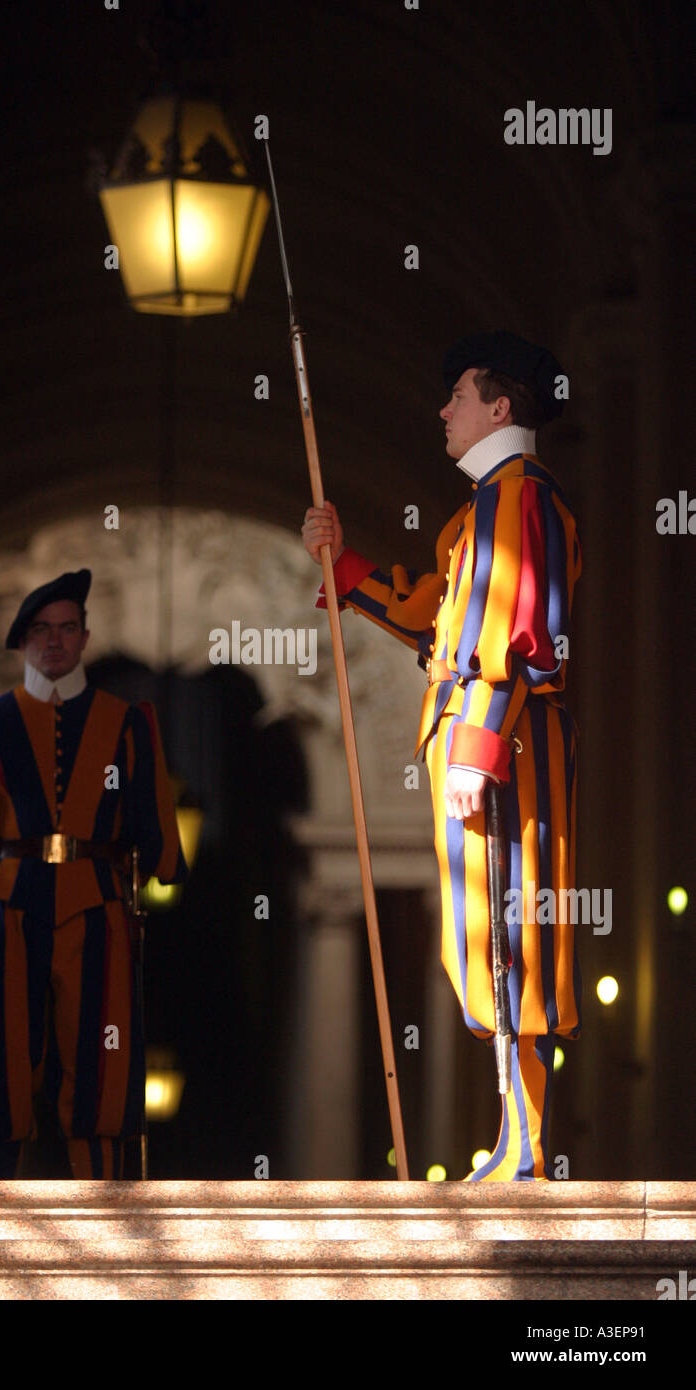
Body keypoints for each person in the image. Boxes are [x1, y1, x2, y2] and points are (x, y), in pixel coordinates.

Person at [302, 331, 582, 1180]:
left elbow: (516, 626)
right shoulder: (481, 511)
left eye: (457, 395)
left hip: (504, 745)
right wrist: (342, 562)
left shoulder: (519, 499)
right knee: (483, 935)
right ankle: (514, 1135)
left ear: (500, 407)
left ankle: (527, 1142)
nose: (442, 411)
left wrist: (476, 744)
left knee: (509, 930)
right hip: (485, 742)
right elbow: (437, 619)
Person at [0, 568, 187, 1179]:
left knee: (101, 1052)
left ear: (86, 637)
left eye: (67, 628)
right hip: (10, 898)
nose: (55, 640)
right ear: (22, 640)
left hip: (96, 900)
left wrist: (156, 865)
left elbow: (155, 831)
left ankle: (100, 1208)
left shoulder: (126, 723)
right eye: (41, 629)